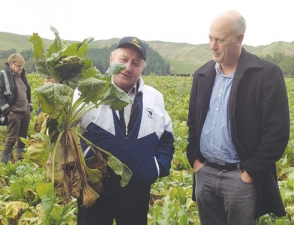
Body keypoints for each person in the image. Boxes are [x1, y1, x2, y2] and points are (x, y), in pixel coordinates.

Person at [186, 10, 289, 225]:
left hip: (240, 179)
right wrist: (195, 161)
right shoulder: (202, 74)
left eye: (220, 40)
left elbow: (277, 133)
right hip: (205, 174)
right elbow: (193, 123)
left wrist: (249, 173)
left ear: (239, 39)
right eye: (210, 38)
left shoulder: (265, 74)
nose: (212, 46)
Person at [77, 36, 175, 225]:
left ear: (142, 68)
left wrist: (155, 168)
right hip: (94, 191)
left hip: (136, 193)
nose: (128, 67)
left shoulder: (154, 98)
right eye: (123, 59)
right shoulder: (87, 90)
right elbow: (59, 125)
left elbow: (167, 137)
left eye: (135, 63)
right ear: (112, 58)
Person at [0, 53, 32, 163]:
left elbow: (27, 92)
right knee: (11, 138)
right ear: (11, 64)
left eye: (22, 66)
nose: (21, 68)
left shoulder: (22, 76)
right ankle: (4, 164)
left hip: (25, 112)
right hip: (14, 113)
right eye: (18, 66)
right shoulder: (2, 75)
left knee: (22, 138)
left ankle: (19, 161)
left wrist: (29, 106)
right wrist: (7, 110)